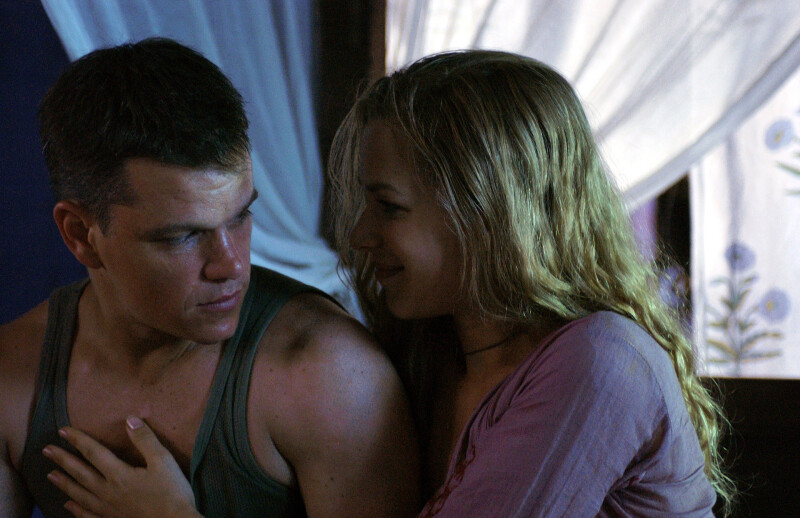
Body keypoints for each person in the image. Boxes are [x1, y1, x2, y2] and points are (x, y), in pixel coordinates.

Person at [39, 50, 735, 517]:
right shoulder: (434, 355)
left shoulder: (601, 362)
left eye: (389, 207)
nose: (360, 235)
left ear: (488, 215)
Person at [0, 37, 419, 518]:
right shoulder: (12, 375)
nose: (232, 266)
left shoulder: (331, 374)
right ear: (81, 235)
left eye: (240, 217)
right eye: (182, 236)